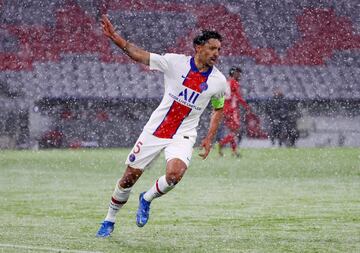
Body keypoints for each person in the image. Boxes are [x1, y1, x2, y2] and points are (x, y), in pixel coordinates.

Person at [96, 15, 227, 237]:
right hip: (157, 129)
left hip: (184, 133)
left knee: (175, 175)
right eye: (212, 48)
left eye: (219, 49)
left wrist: (209, 137)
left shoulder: (218, 81)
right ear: (198, 47)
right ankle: (109, 219)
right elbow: (140, 55)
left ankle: (146, 199)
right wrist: (116, 38)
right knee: (129, 177)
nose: (216, 53)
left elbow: (218, 108)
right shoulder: (175, 62)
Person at [217, 66, 251, 157]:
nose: (240, 75)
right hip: (232, 110)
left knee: (232, 132)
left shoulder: (227, 82)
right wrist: (246, 106)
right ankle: (221, 144)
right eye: (238, 73)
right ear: (233, 73)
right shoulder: (234, 82)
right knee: (235, 131)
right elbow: (238, 97)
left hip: (225, 110)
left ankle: (234, 151)